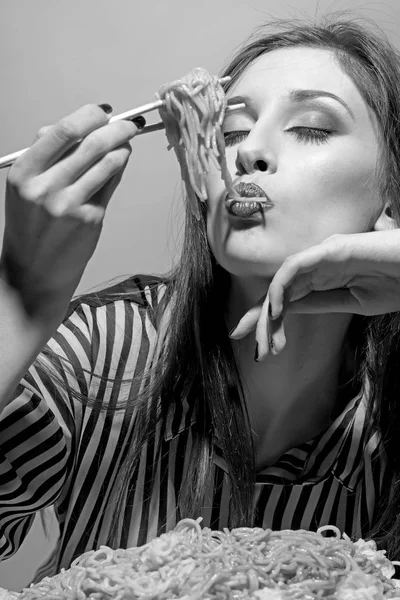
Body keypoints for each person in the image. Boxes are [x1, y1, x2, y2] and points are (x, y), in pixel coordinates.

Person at [2, 14, 400, 584]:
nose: (250, 152)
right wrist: (20, 300)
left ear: (392, 193)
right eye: (230, 131)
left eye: (312, 127)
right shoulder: (108, 346)